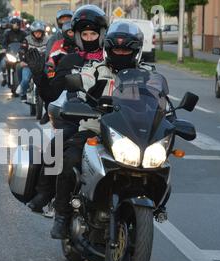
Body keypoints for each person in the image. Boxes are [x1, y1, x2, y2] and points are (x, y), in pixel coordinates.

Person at [50, 20, 158, 239]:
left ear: (135, 51)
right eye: (116, 48)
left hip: (130, 133)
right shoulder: (96, 70)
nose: (121, 52)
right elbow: (81, 84)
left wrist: (169, 116)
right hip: (95, 129)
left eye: (125, 49)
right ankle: (61, 215)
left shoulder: (147, 75)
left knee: (158, 162)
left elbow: (159, 101)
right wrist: (80, 98)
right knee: (70, 158)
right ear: (108, 49)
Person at [25, 5, 108, 213]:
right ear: (78, 36)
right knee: (59, 149)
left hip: (111, 120)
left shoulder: (112, 59)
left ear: (102, 34)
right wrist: (38, 76)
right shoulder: (70, 60)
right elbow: (51, 94)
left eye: (93, 33)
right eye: (85, 33)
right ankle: (48, 196)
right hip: (77, 118)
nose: (89, 38)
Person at [16, 21, 49, 102]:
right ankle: (23, 94)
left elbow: (51, 51)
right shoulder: (27, 40)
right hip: (29, 65)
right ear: (32, 32)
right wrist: (22, 61)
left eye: (39, 32)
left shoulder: (48, 40)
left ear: (42, 32)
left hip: (43, 65)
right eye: (36, 32)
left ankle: (50, 94)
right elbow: (22, 51)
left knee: (51, 78)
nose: (37, 34)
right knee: (25, 80)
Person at [0, 16, 27, 87]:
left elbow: (27, 42)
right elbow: (4, 42)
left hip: (20, 54)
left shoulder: (23, 33)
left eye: (17, 24)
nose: (15, 26)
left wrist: (26, 48)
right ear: (11, 24)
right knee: (3, 64)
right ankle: (4, 78)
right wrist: (3, 48)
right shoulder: (7, 33)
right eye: (14, 24)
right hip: (10, 53)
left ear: (19, 25)